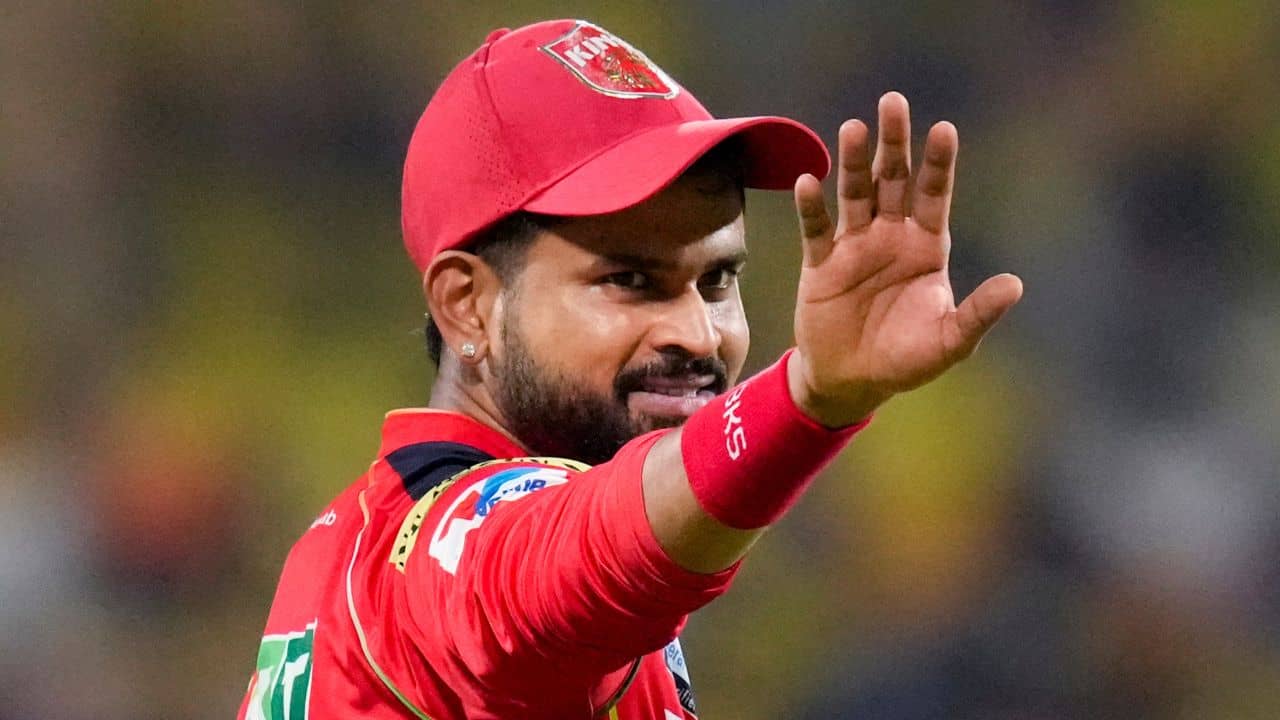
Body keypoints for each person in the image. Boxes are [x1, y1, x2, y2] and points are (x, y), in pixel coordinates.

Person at [238, 18, 1022, 720]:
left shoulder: (356, 547)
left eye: (718, 280)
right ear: (467, 305)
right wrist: (804, 399)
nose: (697, 334)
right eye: (630, 280)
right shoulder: (446, 557)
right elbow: (581, 557)